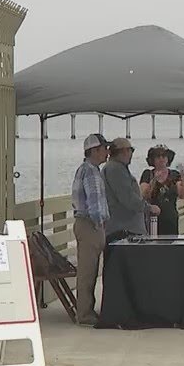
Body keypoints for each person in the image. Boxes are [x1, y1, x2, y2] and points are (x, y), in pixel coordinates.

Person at [71, 133, 112, 325]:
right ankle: (85, 314)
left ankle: (85, 310)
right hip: (90, 225)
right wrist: (100, 223)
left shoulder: (85, 169)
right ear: (94, 151)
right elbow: (94, 202)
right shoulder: (91, 171)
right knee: (88, 272)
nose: (107, 152)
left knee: (89, 270)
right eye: (104, 148)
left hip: (85, 224)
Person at [102, 138, 157, 242]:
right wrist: (148, 208)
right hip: (124, 231)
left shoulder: (116, 168)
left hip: (123, 229)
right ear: (124, 151)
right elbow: (128, 198)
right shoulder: (116, 169)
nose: (131, 153)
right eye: (131, 150)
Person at [141, 145, 184, 235]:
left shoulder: (174, 174)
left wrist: (183, 176)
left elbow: (182, 195)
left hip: (171, 218)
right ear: (153, 160)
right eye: (158, 157)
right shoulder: (148, 174)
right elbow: (145, 195)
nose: (161, 159)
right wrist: (154, 180)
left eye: (164, 156)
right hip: (153, 218)